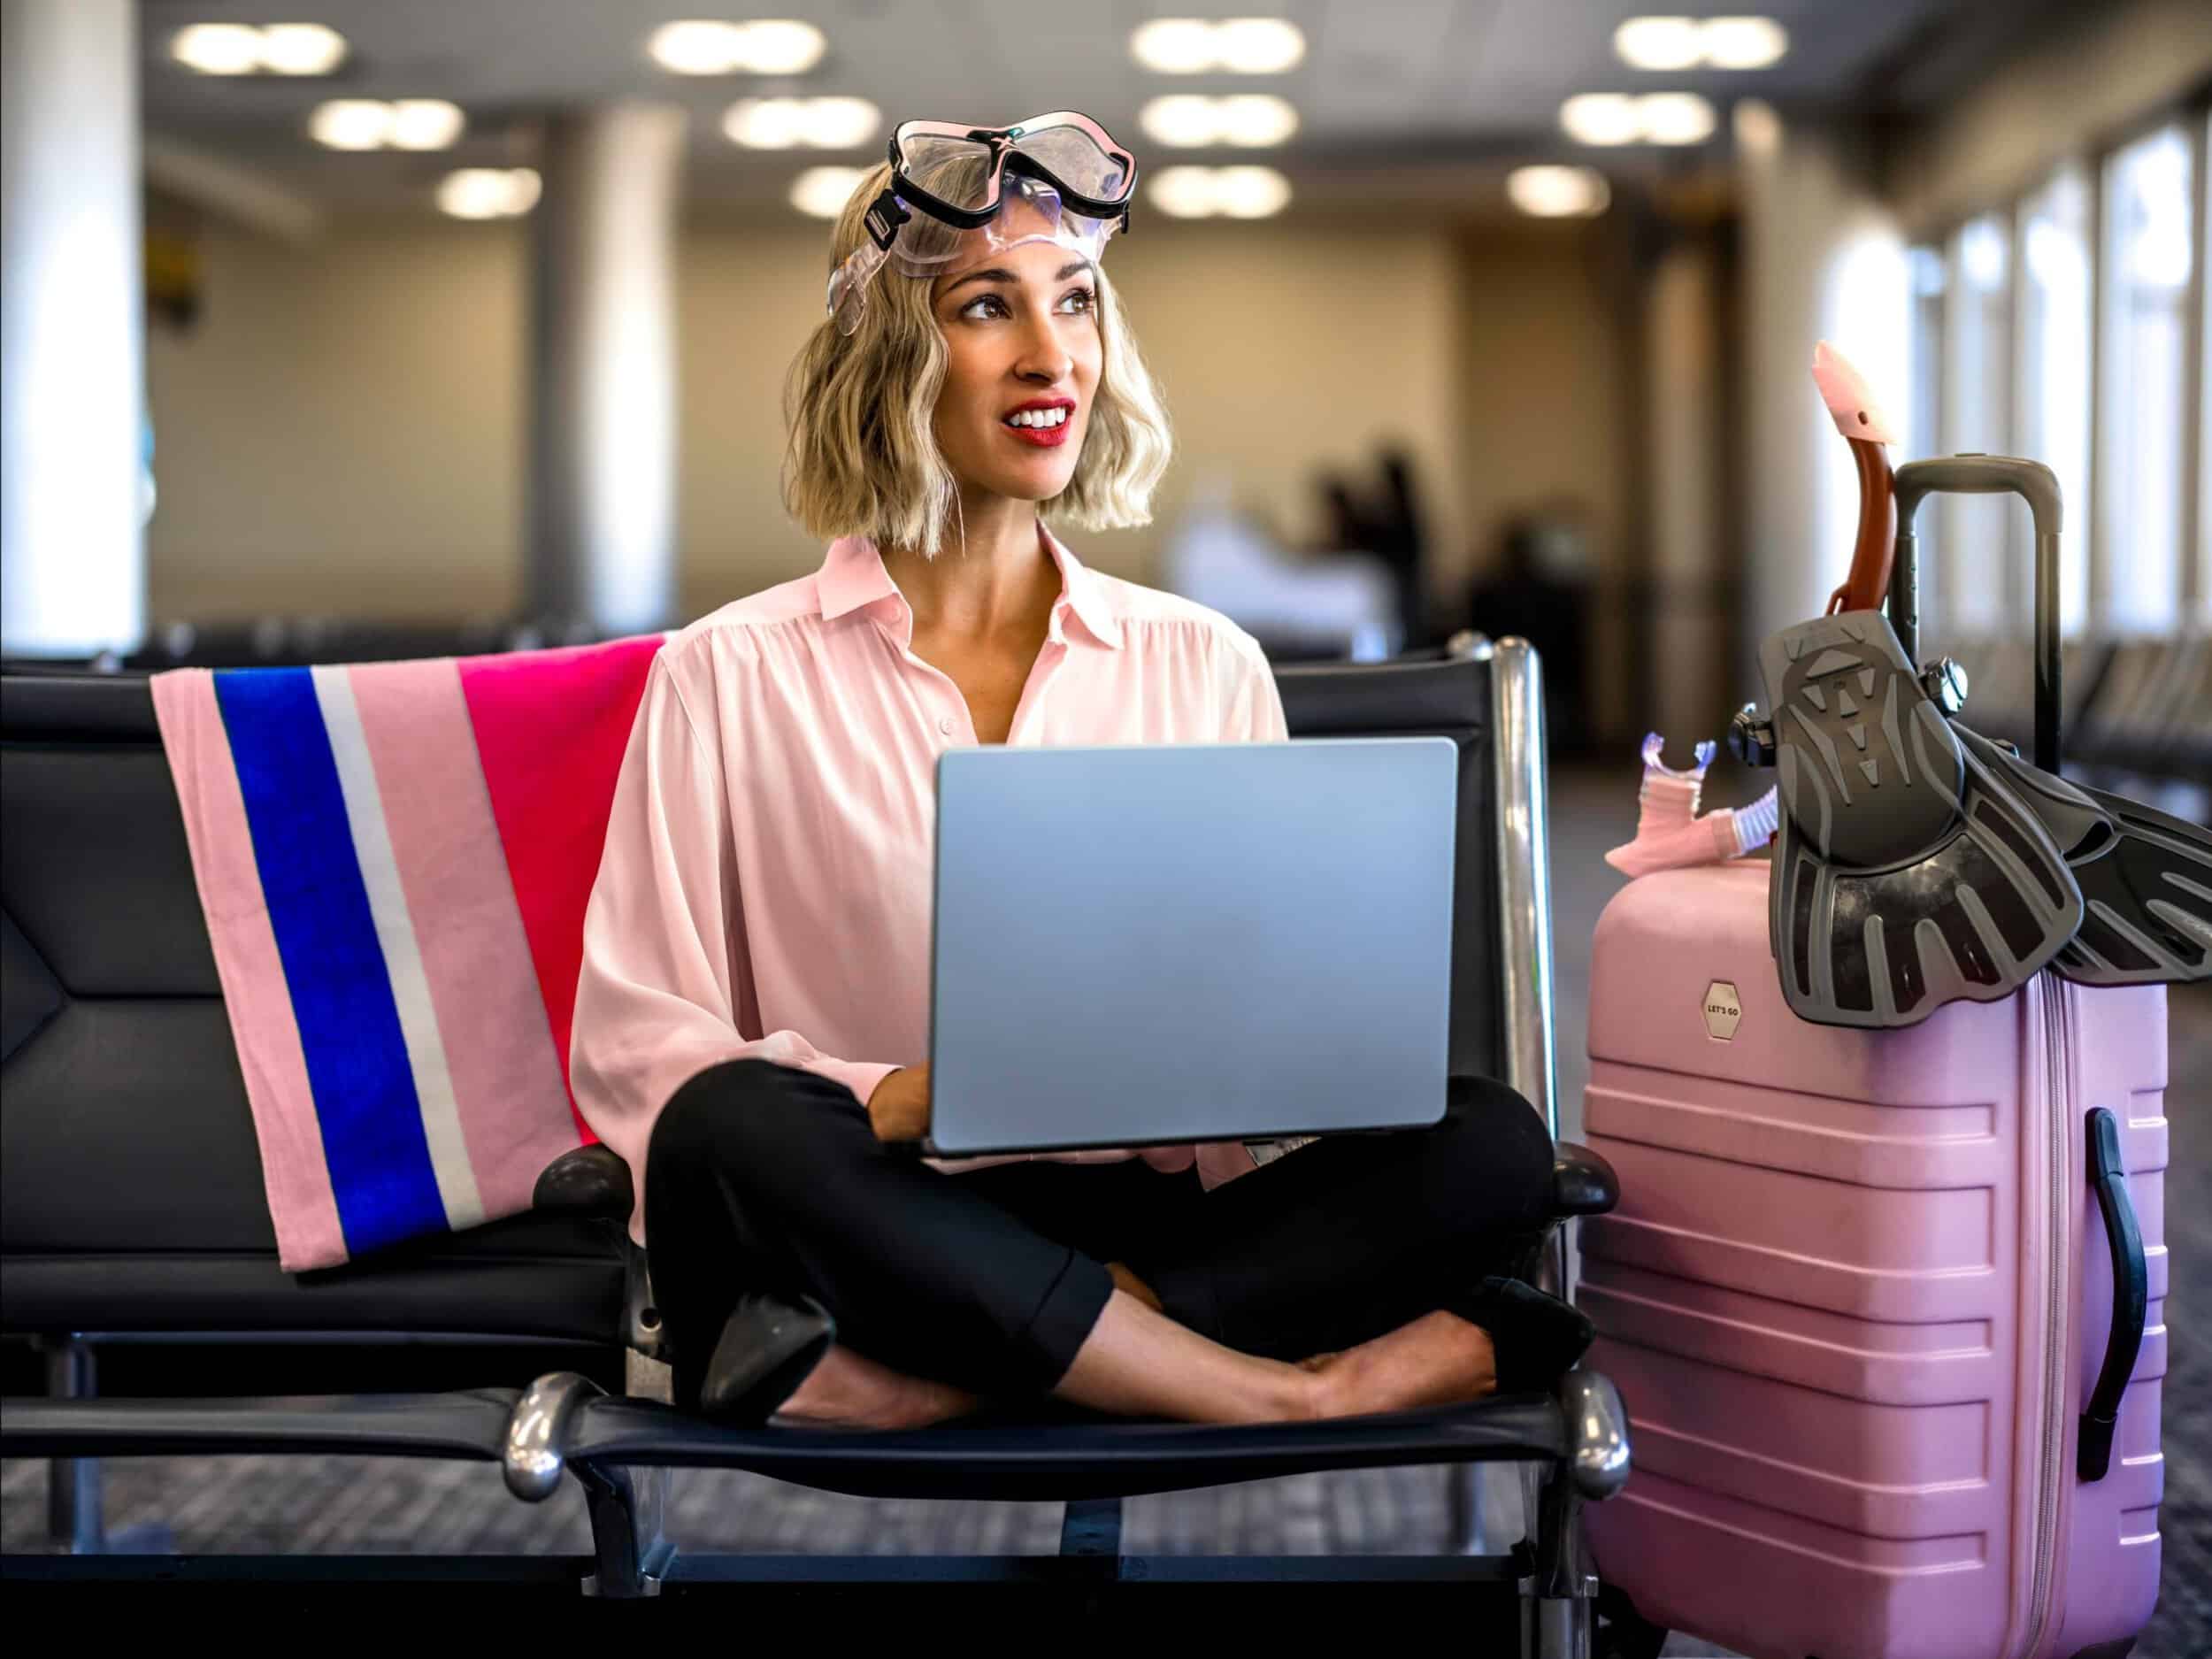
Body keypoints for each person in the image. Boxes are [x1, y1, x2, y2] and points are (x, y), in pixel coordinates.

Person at [567, 113, 1588, 1432]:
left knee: (1491, 1140)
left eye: (1076, 302)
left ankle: (929, 1386)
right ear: (891, 355)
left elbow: (1265, 1016)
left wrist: (1274, 1059)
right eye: (988, 306)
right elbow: (640, 1046)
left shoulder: (1203, 660)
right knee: (724, 1127)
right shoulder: (723, 673)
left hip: (1123, 1213)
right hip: (879, 1202)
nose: (1052, 355)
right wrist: (904, 1095)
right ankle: (1284, 1392)